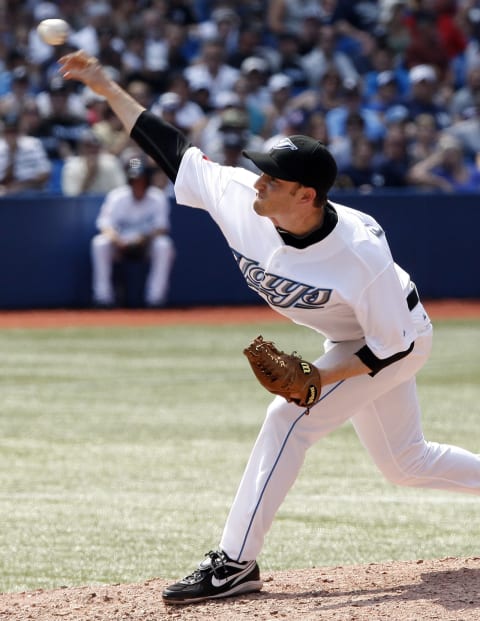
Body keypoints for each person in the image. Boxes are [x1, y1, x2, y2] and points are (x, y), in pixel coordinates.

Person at [59, 49, 480, 606]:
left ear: (306, 196)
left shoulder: (359, 254)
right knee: (407, 464)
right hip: (353, 337)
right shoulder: (239, 196)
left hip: (397, 339)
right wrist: (106, 86)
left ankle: (234, 564)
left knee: (288, 418)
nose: (257, 183)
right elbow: (170, 148)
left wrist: (314, 376)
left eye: (272, 179)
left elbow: (389, 349)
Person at [91, 156, 175, 308]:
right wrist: (118, 241)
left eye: (141, 179)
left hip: (145, 243)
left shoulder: (157, 197)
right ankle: (103, 298)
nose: (138, 183)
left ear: (147, 180)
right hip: (120, 242)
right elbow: (104, 225)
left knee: (163, 245)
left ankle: (155, 298)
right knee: (100, 243)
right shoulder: (117, 196)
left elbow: (162, 228)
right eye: (134, 180)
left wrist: (143, 239)